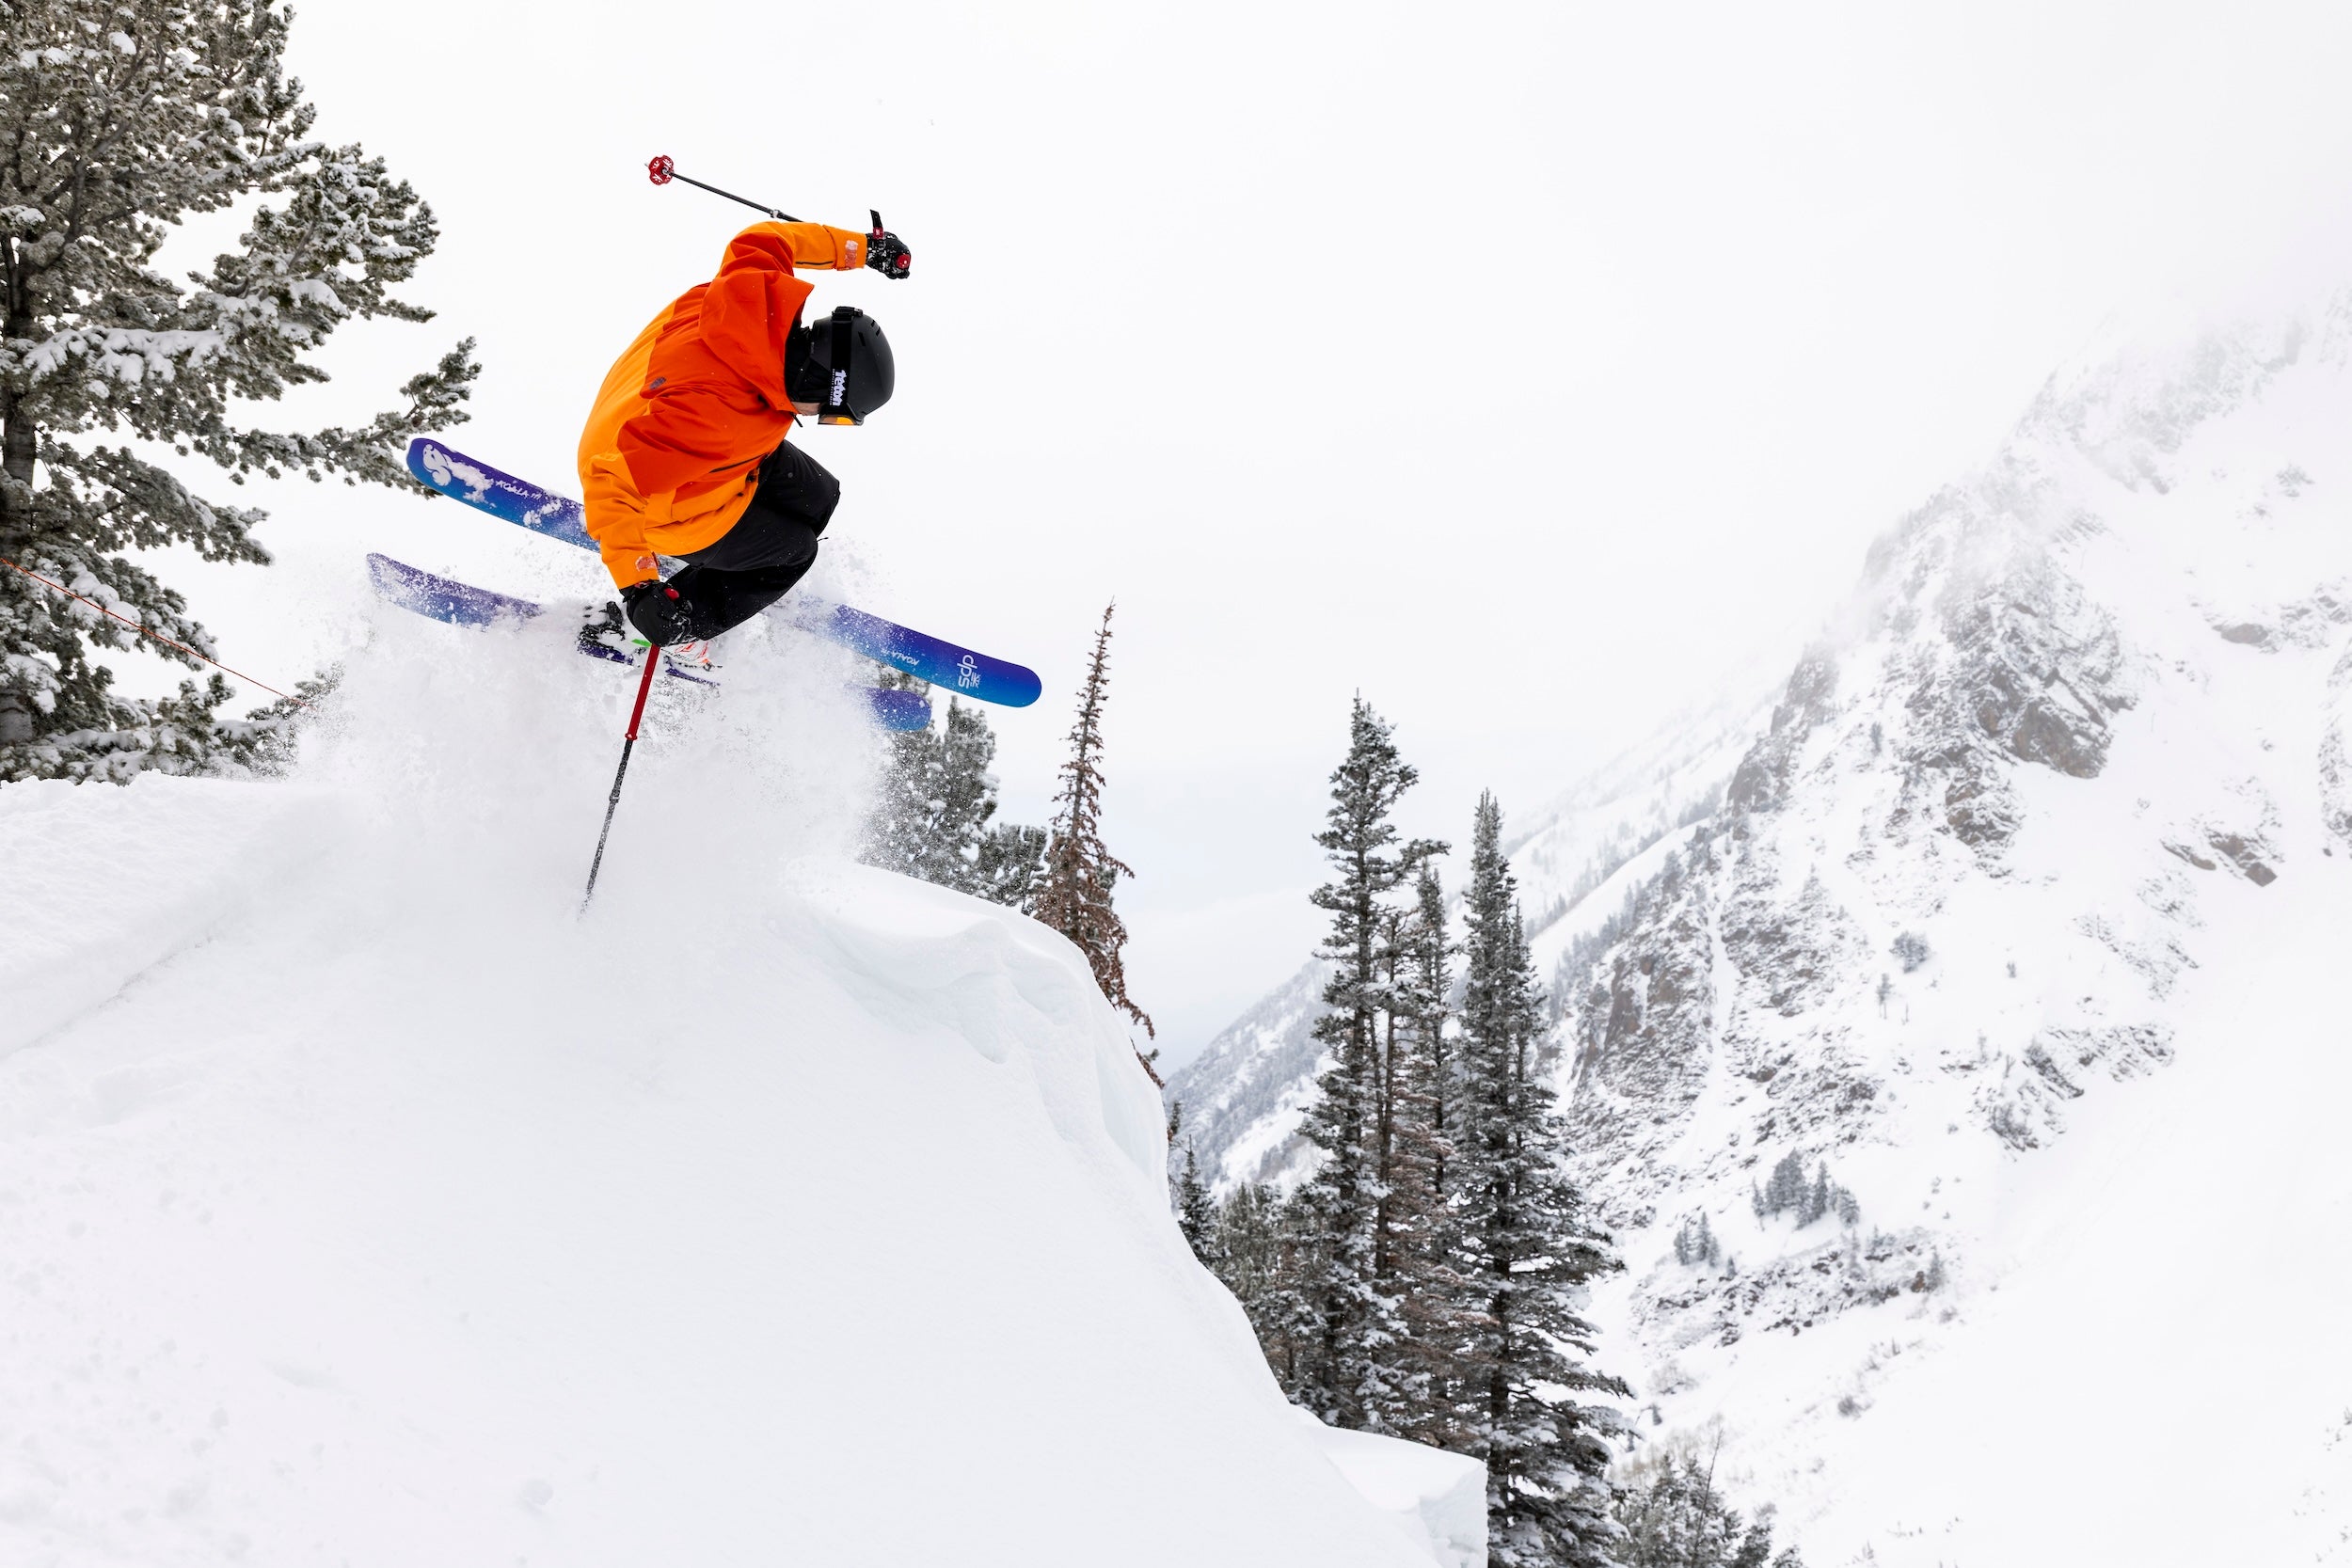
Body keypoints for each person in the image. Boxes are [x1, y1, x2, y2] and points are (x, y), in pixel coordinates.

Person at [576, 219, 900, 654]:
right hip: (663, 498)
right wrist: (638, 588)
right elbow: (609, 482)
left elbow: (773, 237)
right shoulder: (709, 417)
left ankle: (729, 570)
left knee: (820, 496)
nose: (824, 420)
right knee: (796, 551)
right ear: (819, 384)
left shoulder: (753, 296)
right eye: (831, 413)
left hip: (663, 419)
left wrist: (863, 249)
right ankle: (675, 629)